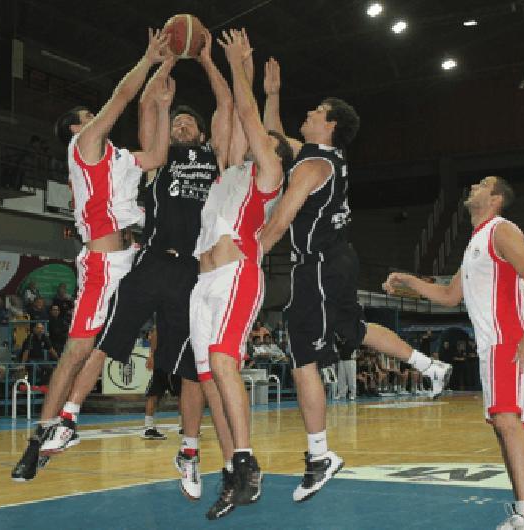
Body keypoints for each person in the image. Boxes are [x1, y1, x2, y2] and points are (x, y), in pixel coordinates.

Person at [35, 26, 235, 500]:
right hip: (152, 261)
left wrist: (206, 60)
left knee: (192, 369)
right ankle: (67, 419)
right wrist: (166, 64)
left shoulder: (218, 160)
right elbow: (148, 108)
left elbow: (228, 110)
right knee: (107, 337)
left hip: (194, 272)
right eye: (179, 123)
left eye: (190, 124)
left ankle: (188, 451)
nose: (183, 127)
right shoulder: (161, 161)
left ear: (203, 133)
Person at [259, 57, 451, 503]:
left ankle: (320, 455)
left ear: (328, 124)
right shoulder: (322, 157)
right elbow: (273, 136)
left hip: (320, 265)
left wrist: (246, 258)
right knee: (354, 330)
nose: (303, 116)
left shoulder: (311, 169)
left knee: (302, 356)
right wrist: (271, 95)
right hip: (336, 260)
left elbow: (279, 223)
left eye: (312, 112)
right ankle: (428, 365)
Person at [11, 29, 174, 481]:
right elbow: (122, 96)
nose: (98, 117)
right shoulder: (82, 148)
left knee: (110, 343)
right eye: (90, 115)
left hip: (132, 258)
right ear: (78, 127)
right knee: (77, 348)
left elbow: (158, 154)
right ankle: (40, 435)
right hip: (102, 263)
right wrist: (149, 58)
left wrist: (161, 100)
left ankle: (66, 421)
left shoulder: (119, 155)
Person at [385, 175, 524, 529]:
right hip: (492, 345)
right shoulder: (476, 240)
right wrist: (408, 282)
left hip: (507, 340)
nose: (474, 185)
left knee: (508, 422)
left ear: (495, 198)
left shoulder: (502, 230)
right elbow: (448, 296)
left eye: (482, 184)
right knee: (504, 426)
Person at [185, 30, 293, 519]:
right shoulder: (229, 169)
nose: (253, 138)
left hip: (237, 275)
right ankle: (232, 467)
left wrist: (240, 66)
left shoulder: (268, 174)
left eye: (263, 139)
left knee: (224, 364)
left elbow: (247, 114)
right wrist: (209, 62)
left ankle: (247, 459)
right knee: (208, 379)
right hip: (203, 282)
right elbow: (226, 110)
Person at [141, 326, 181, 441]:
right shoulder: (167, 319)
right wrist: (151, 356)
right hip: (167, 361)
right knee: (181, 393)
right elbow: (154, 334)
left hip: (172, 360)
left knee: (182, 393)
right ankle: (148, 427)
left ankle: (183, 426)